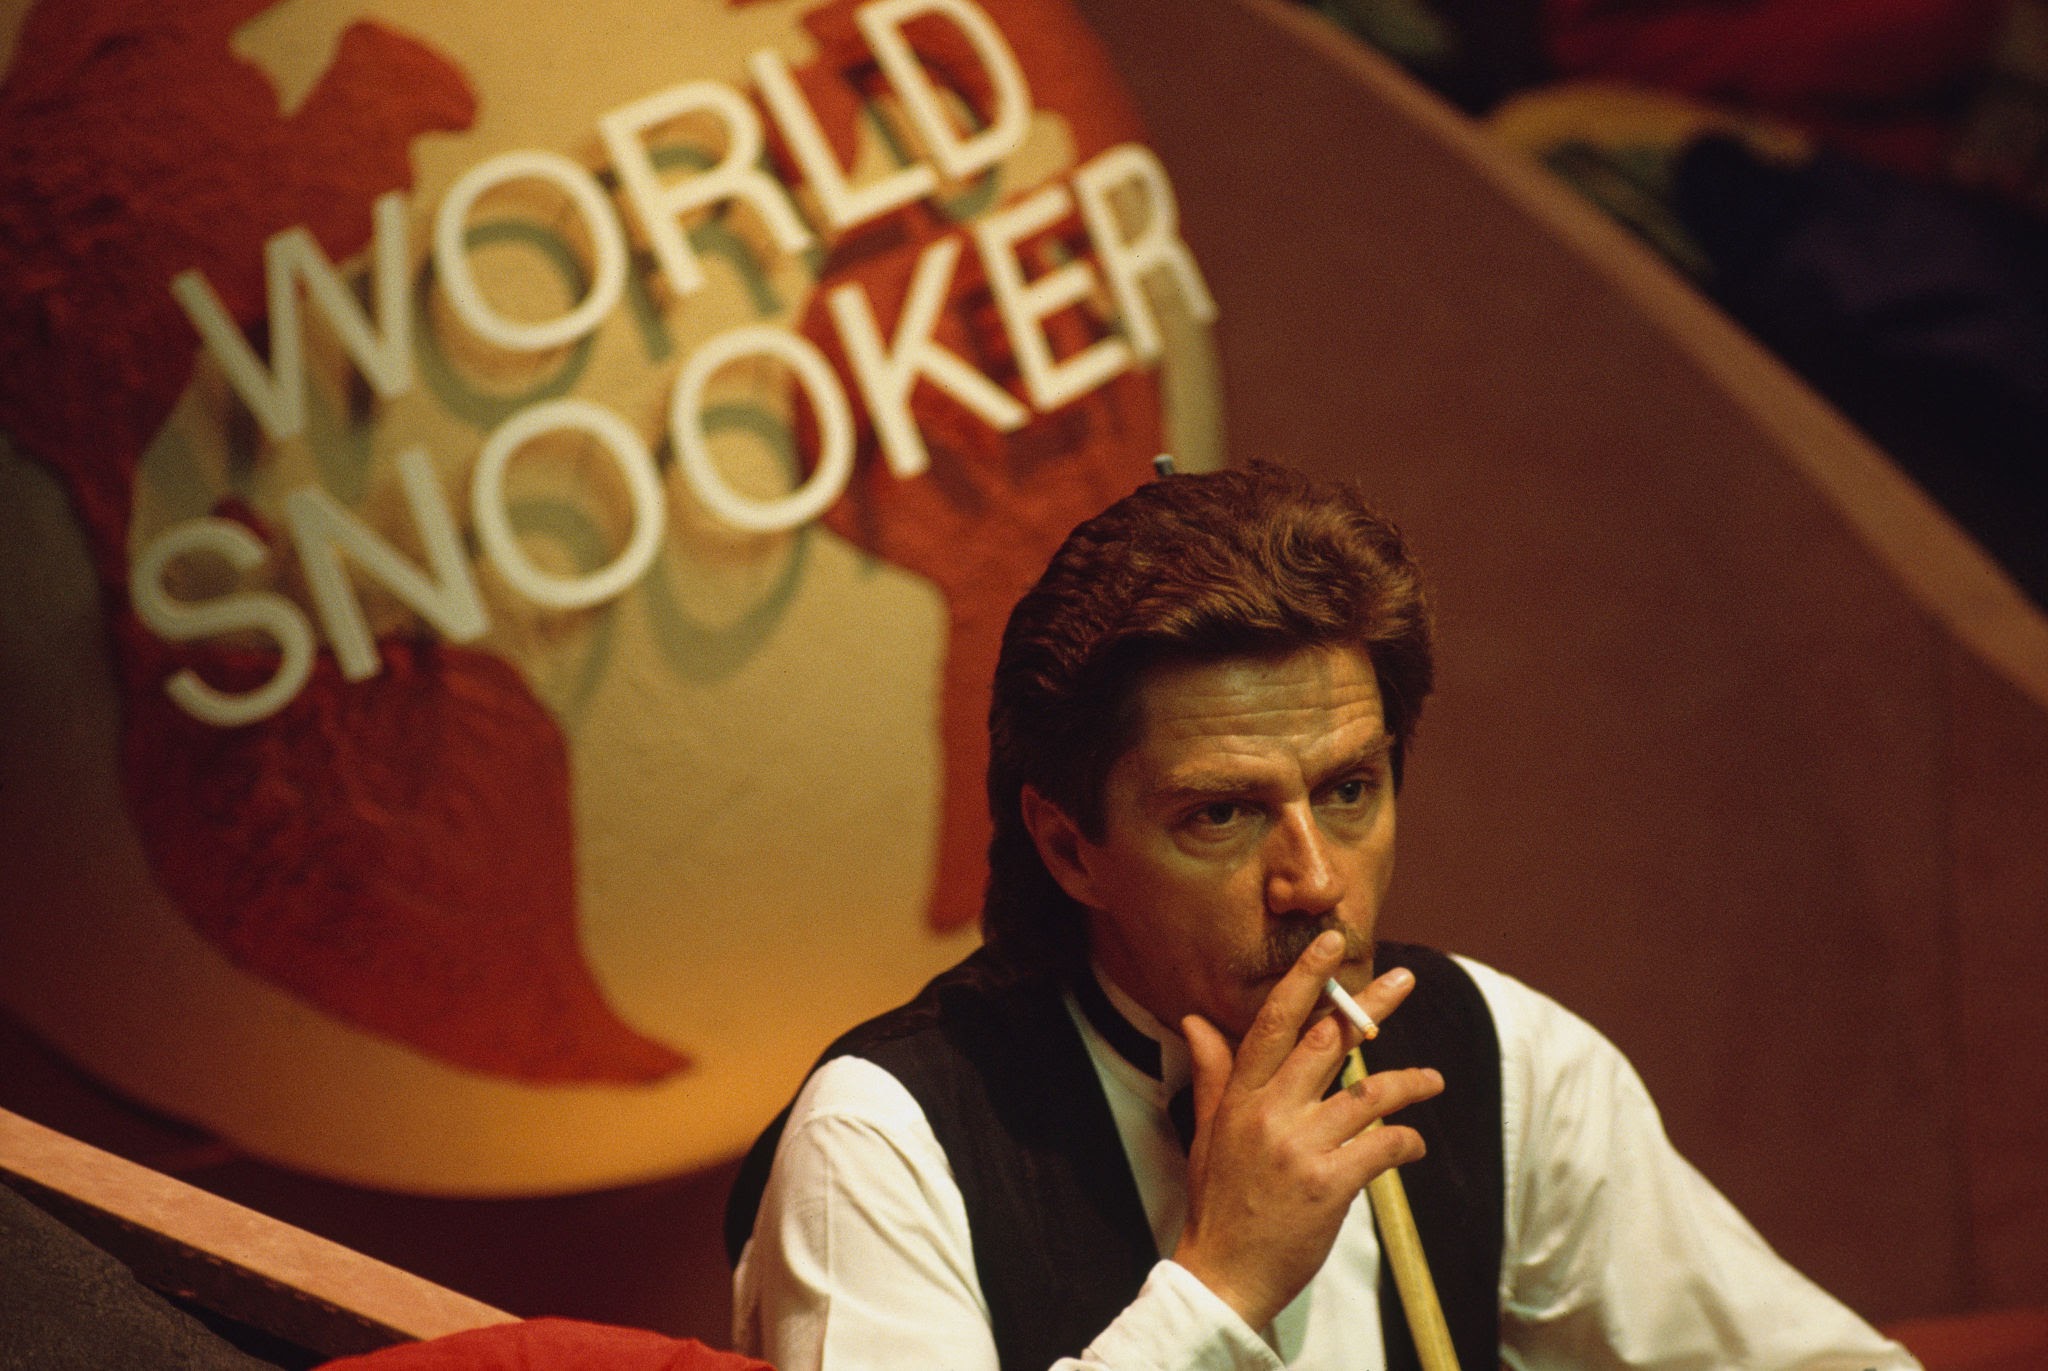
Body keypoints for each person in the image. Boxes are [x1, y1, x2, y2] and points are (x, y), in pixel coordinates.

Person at [725, 464, 1918, 1370]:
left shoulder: (1500, 1060)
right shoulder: (887, 1137)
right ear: (1068, 846)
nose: (1311, 881)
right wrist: (1218, 1291)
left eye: (1348, 792)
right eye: (1221, 815)